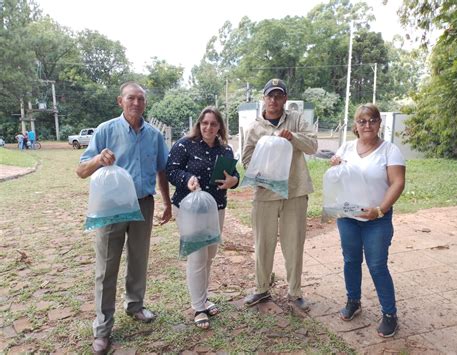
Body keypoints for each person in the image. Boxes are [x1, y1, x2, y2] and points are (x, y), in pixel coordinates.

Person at [76, 82, 172, 354]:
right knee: (107, 267)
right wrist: (98, 160)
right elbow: (81, 170)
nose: (136, 103)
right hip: (112, 207)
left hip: (143, 204)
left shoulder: (154, 135)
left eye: (141, 99)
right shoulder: (106, 130)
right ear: (121, 101)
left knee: (139, 260)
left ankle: (135, 306)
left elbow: (162, 171)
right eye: (131, 98)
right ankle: (103, 328)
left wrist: (166, 202)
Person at [329, 103, 405, 338]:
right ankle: (354, 301)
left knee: (377, 265)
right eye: (362, 121)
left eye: (372, 120)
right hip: (349, 216)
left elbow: (398, 183)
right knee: (351, 260)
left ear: (379, 123)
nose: (367, 125)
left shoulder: (389, 150)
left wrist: (380, 210)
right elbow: (339, 177)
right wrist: (335, 165)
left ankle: (390, 314)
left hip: (377, 219)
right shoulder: (347, 147)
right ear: (356, 125)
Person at [241, 79, 318, 311]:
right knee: (262, 243)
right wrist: (263, 171)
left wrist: (292, 137)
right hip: (265, 193)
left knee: (294, 244)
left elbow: (313, 145)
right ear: (264, 99)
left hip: (294, 191)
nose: (273, 100)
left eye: (278, 96)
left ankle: (295, 292)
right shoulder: (254, 127)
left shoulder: (295, 119)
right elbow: (246, 159)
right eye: (269, 96)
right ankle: (262, 288)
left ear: (284, 99)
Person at [166, 106, 239, 329]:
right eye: (204, 123)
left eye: (213, 124)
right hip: (190, 209)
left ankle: (204, 298)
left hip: (216, 208)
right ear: (199, 124)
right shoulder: (183, 145)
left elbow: (234, 175)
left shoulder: (225, 150)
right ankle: (198, 307)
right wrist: (187, 178)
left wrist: (233, 181)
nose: (208, 127)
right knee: (197, 257)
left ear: (220, 127)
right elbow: (171, 170)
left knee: (209, 255)